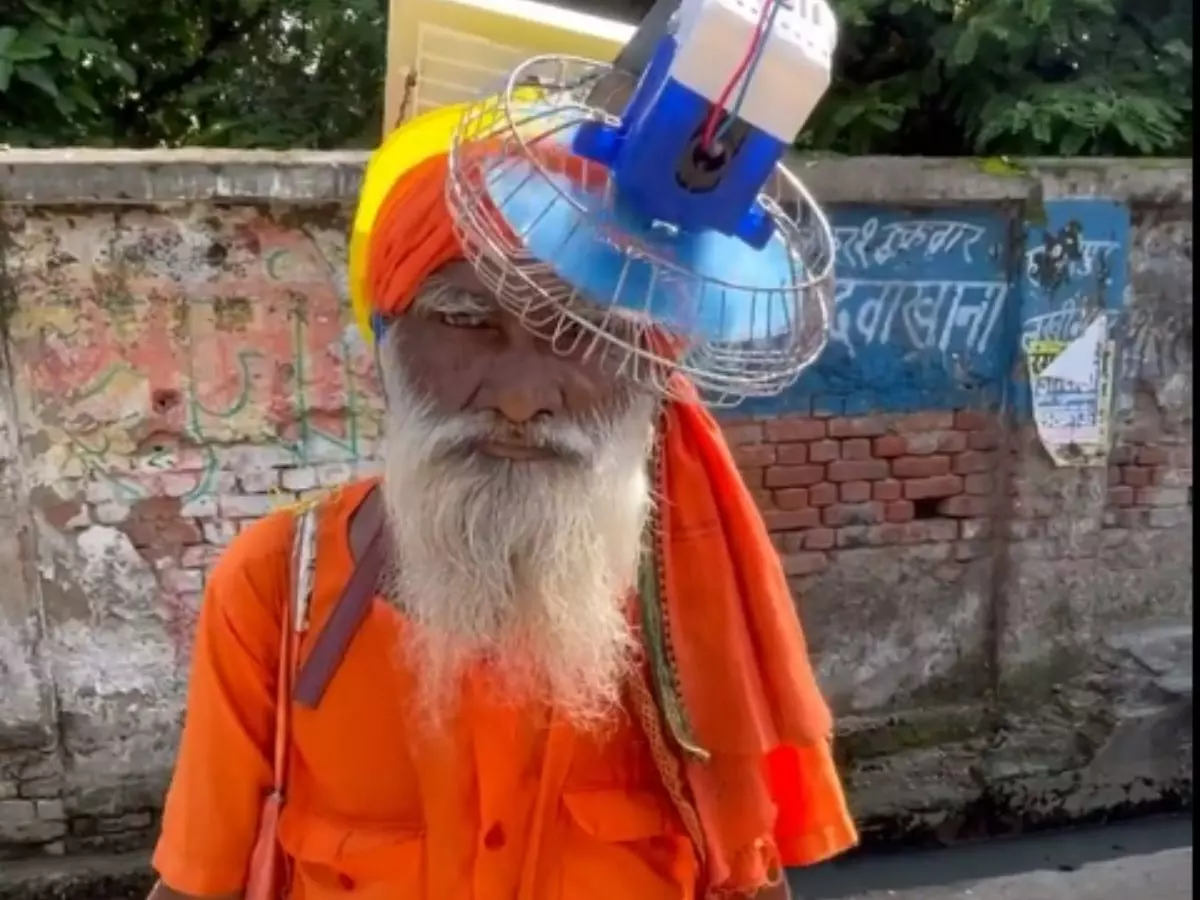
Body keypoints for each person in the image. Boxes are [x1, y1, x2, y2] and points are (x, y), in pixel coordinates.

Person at [148, 105, 856, 900]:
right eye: (464, 319)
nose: (521, 398)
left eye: (582, 330)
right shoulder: (277, 589)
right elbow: (197, 884)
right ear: (387, 343)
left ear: (648, 368)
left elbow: (747, 877)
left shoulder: (693, 599)